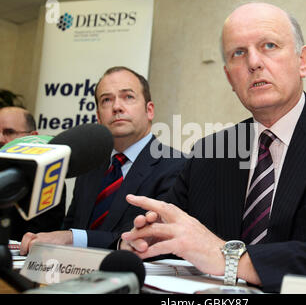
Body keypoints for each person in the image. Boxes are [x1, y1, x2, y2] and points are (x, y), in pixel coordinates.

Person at [119, 3, 306, 292]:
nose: (253, 62)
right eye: (239, 53)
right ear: (230, 77)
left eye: (269, 45)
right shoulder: (210, 152)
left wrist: (236, 261)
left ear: (303, 60)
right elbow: (176, 242)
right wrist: (149, 238)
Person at [20, 67, 186, 253]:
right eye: (106, 100)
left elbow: (153, 238)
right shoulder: (90, 165)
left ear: (149, 110)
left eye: (128, 97)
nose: (116, 107)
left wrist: (71, 238)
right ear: (98, 117)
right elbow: (71, 225)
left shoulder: (177, 166)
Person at [0, 106, 66, 240]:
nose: (0, 139)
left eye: (9, 132)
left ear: (32, 137)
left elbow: (38, 237)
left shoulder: (48, 179)